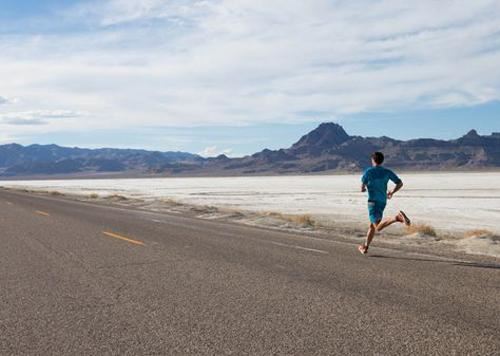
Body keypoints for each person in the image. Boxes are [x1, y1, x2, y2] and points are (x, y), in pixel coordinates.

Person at [358, 151, 411, 255]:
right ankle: (365, 247)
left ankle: (397, 217)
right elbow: (399, 183)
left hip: (372, 202)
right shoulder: (387, 172)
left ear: (372, 160)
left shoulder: (368, 171)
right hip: (382, 201)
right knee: (372, 225)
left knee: (378, 226)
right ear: (382, 161)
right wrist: (392, 192)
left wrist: (364, 189)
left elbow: (362, 188)